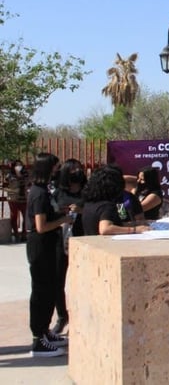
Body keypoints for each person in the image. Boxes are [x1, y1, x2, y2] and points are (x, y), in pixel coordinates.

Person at [25, 153, 69, 357]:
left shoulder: (45, 191)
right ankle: (38, 339)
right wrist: (63, 220)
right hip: (40, 246)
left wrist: (59, 212)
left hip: (49, 246)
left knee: (50, 288)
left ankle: (45, 331)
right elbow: (40, 226)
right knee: (41, 291)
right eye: (55, 167)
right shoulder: (38, 193)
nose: (57, 171)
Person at [50, 158, 87, 336]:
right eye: (73, 170)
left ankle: (82, 318)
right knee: (58, 281)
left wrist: (82, 211)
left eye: (79, 169)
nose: (77, 172)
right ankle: (62, 316)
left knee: (83, 282)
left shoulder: (88, 193)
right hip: (61, 241)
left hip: (83, 240)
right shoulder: (58, 194)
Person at [82, 166, 152, 236]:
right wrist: (135, 229)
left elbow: (120, 220)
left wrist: (136, 224)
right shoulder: (107, 206)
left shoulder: (89, 203)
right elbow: (105, 229)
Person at [4, 159, 29, 242]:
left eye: (20, 165)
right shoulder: (9, 176)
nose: (19, 167)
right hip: (13, 199)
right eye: (17, 165)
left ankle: (24, 234)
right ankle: (16, 233)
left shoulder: (25, 174)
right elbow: (4, 187)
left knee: (25, 217)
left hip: (23, 199)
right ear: (13, 166)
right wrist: (12, 191)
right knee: (14, 216)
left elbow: (29, 184)